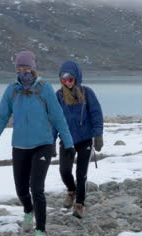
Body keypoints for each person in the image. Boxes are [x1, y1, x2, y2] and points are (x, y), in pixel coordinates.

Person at [0, 51, 75, 236]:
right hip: (19, 146)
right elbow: (2, 117)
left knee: (37, 188)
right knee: (21, 190)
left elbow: (58, 117)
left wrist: (68, 144)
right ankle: (28, 210)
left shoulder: (45, 89)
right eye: (19, 68)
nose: (23, 72)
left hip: (42, 145)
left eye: (26, 68)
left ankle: (40, 230)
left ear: (33, 68)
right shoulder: (12, 90)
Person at [53, 60, 104, 219]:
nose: (66, 82)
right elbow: (54, 120)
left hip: (85, 139)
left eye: (70, 78)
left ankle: (80, 204)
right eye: (63, 79)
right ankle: (71, 190)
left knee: (81, 173)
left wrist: (98, 135)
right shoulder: (59, 96)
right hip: (67, 140)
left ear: (77, 77)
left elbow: (96, 114)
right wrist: (52, 141)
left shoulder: (87, 93)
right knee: (64, 171)